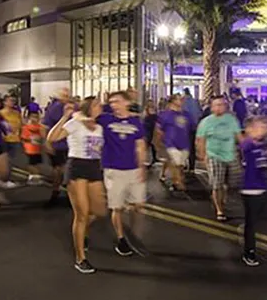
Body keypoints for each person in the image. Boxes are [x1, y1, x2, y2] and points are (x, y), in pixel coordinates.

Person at [47, 98, 106, 274]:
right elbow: (52, 138)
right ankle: (81, 258)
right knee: (82, 214)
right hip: (77, 168)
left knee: (99, 211)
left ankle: (83, 233)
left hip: (94, 168)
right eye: (96, 104)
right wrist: (65, 117)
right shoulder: (74, 123)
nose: (100, 107)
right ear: (88, 108)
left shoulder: (99, 127)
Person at [97, 90, 148, 257]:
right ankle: (121, 239)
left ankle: (134, 235)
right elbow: (86, 114)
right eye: (111, 102)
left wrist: (142, 167)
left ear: (127, 102)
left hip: (133, 169)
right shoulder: (105, 119)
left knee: (138, 205)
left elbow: (140, 145)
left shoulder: (135, 122)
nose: (114, 105)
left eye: (117, 101)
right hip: (114, 169)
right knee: (117, 207)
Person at [196, 96, 242, 220]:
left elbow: (239, 136)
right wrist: (202, 155)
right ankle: (219, 210)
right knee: (217, 184)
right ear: (211, 107)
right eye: (216, 105)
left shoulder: (232, 120)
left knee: (231, 183)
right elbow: (201, 139)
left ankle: (223, 196)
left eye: (222, 104)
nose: (219, 107)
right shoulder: (206, 122)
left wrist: (246, 148)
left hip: (231, 155)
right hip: (214, 155)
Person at [240, 117, 267, 266]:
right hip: (250, 189)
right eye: (259, 127)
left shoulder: (263, 145)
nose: (263, 130)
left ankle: (250, 246)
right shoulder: (248, 144)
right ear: (250, 129)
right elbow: (247, 146)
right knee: (251, 224)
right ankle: (249, 253)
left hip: (262, 188)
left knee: (260, 221)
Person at [42, 89, 72, 207]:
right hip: (57, 144)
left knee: (67, 169)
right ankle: (55, 192)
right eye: (64, 95)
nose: (66, 97)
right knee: (58, 170)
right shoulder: (54, 108)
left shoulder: (74, 107)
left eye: (68, 95)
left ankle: (69, 194)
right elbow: (45, 126)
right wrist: (47, 143)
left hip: (70, 144)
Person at [156, 94, 191, 193]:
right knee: (175, 163)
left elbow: (191, 128)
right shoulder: (165, 115)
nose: (181, 101)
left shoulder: (186, 115)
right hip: (170, 143)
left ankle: (174, 178)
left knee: (180, 165)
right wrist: (159, 143)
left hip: (184, 144)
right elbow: (159, 129)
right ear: (172, 101)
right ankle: (178, 182)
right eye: (178, 99)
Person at [21, 112, 44, 184]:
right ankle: (34, 177)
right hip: (28, 149)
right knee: (30, 165)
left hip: (37, 150)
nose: (34, 119)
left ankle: (36, 177)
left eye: (36, 117)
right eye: (32, 117)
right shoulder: (25, 127)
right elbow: (22, 138)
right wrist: (30, 140)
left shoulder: (40, 127)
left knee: (35, 164)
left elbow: (43, 138)